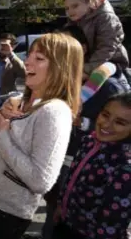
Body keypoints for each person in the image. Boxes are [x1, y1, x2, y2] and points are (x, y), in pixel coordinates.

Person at [0, 33, 83, 239]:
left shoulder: (54, 112)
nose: (27, 61)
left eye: (39, 58)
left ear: (62, 68)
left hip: (5, 211)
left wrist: (5, 134)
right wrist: (2, 116)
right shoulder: (19, 99)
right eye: (30, 55)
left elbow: (41, 180)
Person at [53, 92, 131, 239]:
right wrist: (61, 205)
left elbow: (112, 223)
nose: (107, 124)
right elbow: (72, 177)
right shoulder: (89, 141)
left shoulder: (125, 167)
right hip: (66, 222)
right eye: (105, 115)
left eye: (120, 122)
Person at [63, 0, 129, 79]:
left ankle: (86, 93)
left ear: (91, 2)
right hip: (89, 60)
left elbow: (107, 48)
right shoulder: (77, 20)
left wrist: (87, 69)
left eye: (75, 6)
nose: (70, 11)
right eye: (67, 8)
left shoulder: (106, 18)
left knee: (96, 77)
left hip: (111, 61)